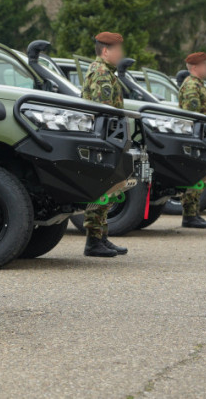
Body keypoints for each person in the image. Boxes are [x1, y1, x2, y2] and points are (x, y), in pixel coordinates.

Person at [80, 32, 129, 257]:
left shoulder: (107, 72)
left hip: (108, 137)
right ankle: (93, 241)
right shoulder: (100, 73)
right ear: (106, 51)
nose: (121, 54)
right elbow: (104, 109)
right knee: (100, 189)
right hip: (102, 138)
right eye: (117, 50)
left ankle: (101, 236)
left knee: (107, 190)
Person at [178, 52, 206, 229]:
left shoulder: (199, 84)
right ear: (195, 68)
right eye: (204, 65)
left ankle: (193, 213)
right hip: (195, 136)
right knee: (194, 176)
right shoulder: (192, 85)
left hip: (202, 136)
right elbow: (192, 115)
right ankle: (189, 215)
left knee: (199, 176)